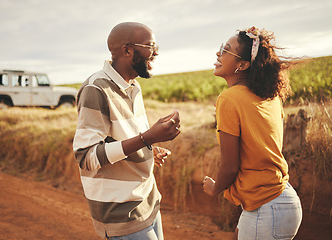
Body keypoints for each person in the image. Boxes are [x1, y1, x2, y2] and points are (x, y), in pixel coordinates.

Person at [73, 22, 180, 240]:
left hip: (147, 203)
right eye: (151, 46)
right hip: (121, 213)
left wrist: (149, 148)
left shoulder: (133, 86)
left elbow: (122, 139)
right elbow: (86, 156)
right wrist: (147, 137)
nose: (156, 52)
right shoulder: (96, 89)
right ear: (127, 50)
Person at [203, 26, 302, 240]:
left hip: (266, 205)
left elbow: (230, 166)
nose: (218, 53)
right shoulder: (270, 96)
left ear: (243, 65)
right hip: (283, 199)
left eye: (226, 50)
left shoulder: (229, 99)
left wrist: (214, 188)